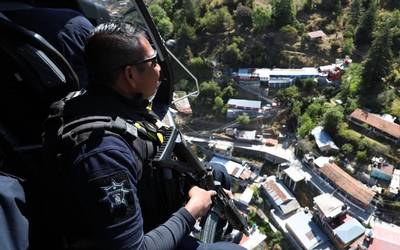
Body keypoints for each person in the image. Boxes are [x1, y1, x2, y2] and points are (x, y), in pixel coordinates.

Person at [52, 22, 245, 250]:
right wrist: (191, 211)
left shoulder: (107, 100)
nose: (159, 69)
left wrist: (190, 187)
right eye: (153, 62)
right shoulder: (103, 154)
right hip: (139, 237)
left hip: (146, 199)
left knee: (218, 175)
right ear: (130, 74)